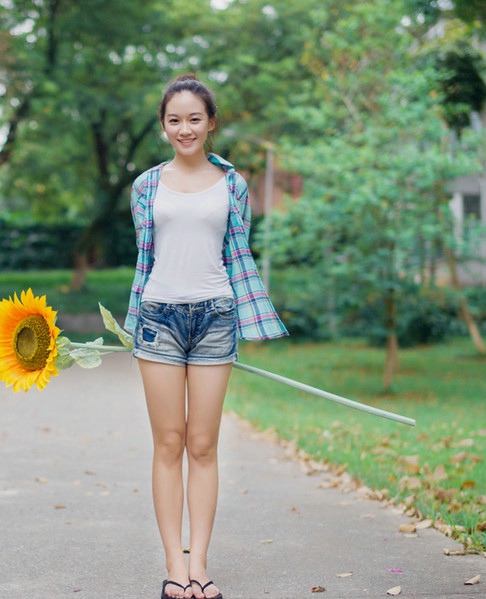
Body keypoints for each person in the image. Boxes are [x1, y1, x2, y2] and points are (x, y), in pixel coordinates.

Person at [124, 74, 289, 599]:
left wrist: (249, 315)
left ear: (211, 123)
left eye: (195, 118)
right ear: (164, 126)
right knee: (168, 443)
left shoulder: (233, 186)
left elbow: (235, 254)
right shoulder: (146, 186)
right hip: (159, 319)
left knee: (202, 444)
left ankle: (201, 562)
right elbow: (146, 258)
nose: (185, 128)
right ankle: (175, 564)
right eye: (175, 119)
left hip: (216, 317)